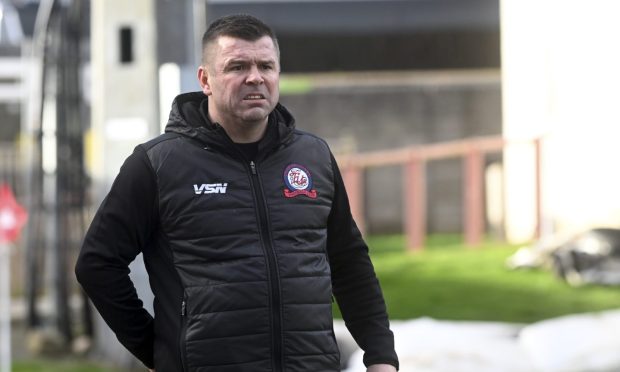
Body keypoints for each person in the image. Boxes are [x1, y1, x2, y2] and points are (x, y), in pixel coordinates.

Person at [75, 14, 399, 372]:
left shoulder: (314, 156)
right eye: (237, 66)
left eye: (266, 65)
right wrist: (158, 351)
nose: (255, 77)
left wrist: (381, 355)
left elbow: (349, 261)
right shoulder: (157, 164)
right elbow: (97, 264)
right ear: (205, 80)